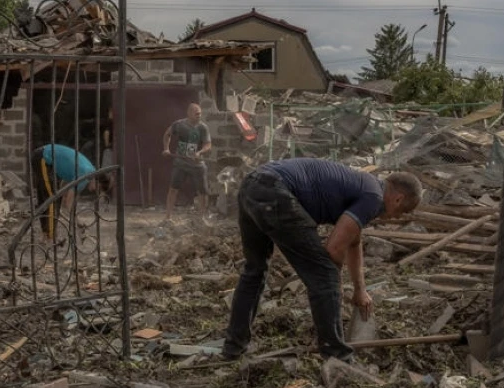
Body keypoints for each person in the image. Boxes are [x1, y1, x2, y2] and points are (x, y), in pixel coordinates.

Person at [222, 158, 423, 362]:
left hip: (252, 185)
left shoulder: (366, 185)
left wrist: (360, 289)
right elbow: (334, 248)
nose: (398, 218)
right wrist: (334, 285)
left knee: (255, 270)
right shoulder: (373, 197)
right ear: (398, 199)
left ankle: (233, 347)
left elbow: (353, 241)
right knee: (325, 274)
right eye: (403, 212)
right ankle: (337, 356)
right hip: (276, 191)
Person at [31, 143, 99, 240]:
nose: (94, 190)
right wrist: (77, 221)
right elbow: (68, 204)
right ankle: (50, 237)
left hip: (42, 155)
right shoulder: (85, 175)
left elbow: (64, 188)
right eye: (97, 187)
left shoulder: (89, 170)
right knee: (52, 200)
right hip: (43, 157)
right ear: (97, 180)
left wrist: (63, 199)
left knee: (49, 199)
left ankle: (46, 235)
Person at [162, 103, 212, 220]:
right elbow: (167, 134)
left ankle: (202, 218)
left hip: (197, 163)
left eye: (200, 113)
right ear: (189, 113)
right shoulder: (179, 125)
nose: (199, 116)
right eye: (196, 114)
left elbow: (208, 144)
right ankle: (168, 217)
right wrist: (166, 149)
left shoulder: (203, 127)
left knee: (202, 191)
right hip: (181, 162)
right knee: (173, 189)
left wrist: (200, 152)